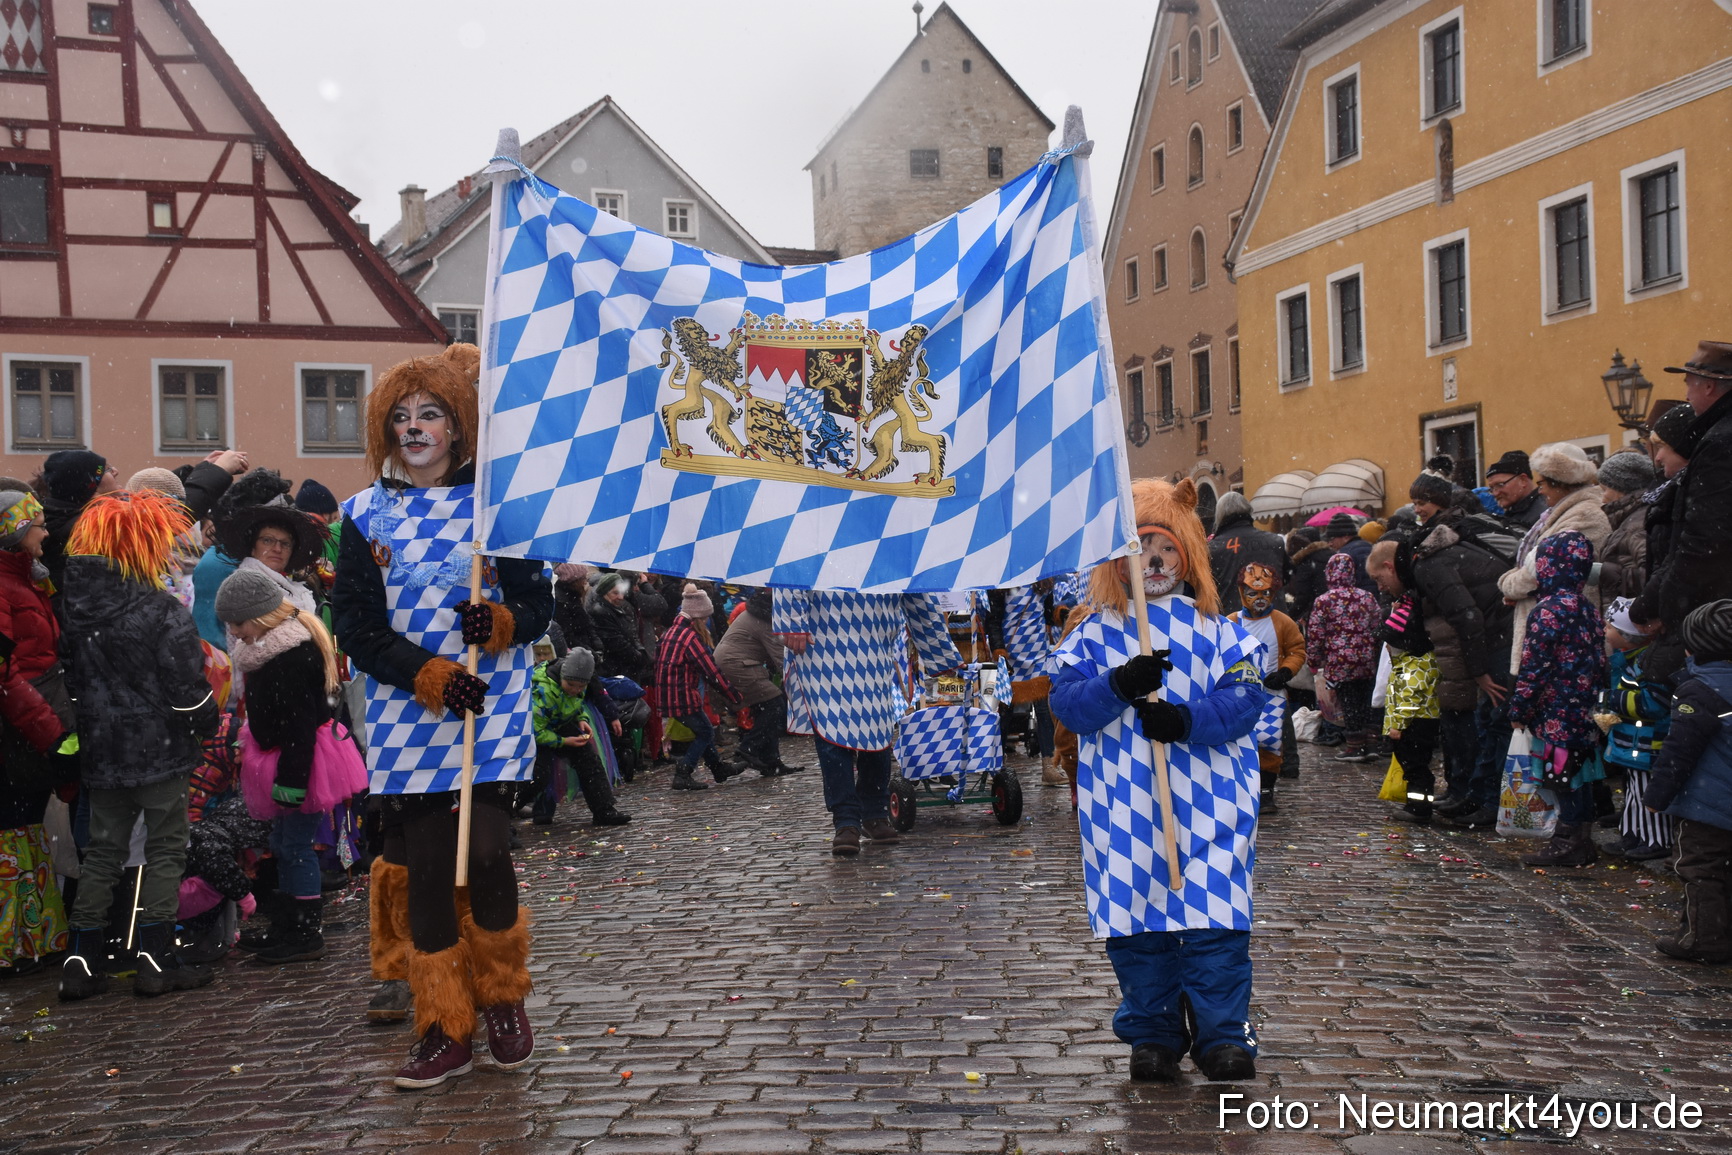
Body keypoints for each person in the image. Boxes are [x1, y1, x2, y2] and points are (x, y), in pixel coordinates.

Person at [330, 343, 550, 1089]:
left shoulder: (500, 507)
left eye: (428, 413)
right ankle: (441, 1022)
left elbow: (540, 604)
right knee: (426, 866)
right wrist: (423, 672)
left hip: (490, 712)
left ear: (457, 426)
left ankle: (502, 999)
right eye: (400, 416)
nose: (413, 427)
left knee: (484, 850)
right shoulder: (361, 515)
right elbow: (355, 625)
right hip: (406, 714)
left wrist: (502, 622)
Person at [1047, 477, 1265, 1083]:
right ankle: (1153, 1034)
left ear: (1188, 553)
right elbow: (1068, 706)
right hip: (1122, 805)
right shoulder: (1089, 632)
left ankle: (1225, 1036)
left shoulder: (1221, 631)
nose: (1155, 561)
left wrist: (1187, 719)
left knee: (1214, 921)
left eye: (1166, 548)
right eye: (1141, 546)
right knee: (1138, 925)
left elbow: (1247, 698)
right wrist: (1118, 685)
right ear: (1118, 559)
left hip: (1214, 801)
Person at [57, 489, 220, 1000]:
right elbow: (187, 689)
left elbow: (71, 679)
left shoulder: (73, 606)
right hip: (159, 749)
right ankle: (155, 957)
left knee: (103, 852)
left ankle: (81, 958)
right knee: (166, 847)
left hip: (102, 750)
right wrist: (205, 721)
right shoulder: (157, 608)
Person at [214, 568, 342, 964]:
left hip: (299, 763)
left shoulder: (287, 657)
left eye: (237, 622)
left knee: (295, 846)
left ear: (258, 616)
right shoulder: (266, 652)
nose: (233, 632)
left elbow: (299, 727)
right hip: (288, 757)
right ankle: (289, 925)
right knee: (283, 844)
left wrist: (291, 782)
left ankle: (304, 931)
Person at [775, 586, 962, 856]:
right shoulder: (812, 541)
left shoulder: (893, 544)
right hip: (823, 643)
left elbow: (915, 588)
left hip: (875, 643)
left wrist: (939, 651)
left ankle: (874, 812)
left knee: (877, 729)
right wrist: (792, 620)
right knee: (832, 731)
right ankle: (846, 820)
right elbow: (792, 566)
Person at [1400, 487, 1516, 830]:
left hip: (1500, 638)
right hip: (1500, 635)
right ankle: (1477, 797)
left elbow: (1468, 616)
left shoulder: (1430, 566)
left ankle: (1489, 802)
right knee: (1487, 721)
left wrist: (1479, 672)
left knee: (1495, 721)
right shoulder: (1446, 555)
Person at [0, 485, 73, 976]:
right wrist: (51, 731)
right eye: (38, 525)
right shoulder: (5, 586)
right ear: (16, 532)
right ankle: (13, 945)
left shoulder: (27, 578)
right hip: (15, 733)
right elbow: (7, 675)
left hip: (30, 726)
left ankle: (32, 939)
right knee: (11, 833)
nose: (48, 532)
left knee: (25, 831)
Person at [1631, 342, 1732, 681]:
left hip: (1713, 614)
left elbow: (1705, 540)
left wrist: (1669, 610)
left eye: (1689, 382)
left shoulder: (1720, 442)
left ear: (1708, 385)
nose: (1686, 392)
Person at [1508, 532, 1607, 868]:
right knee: (1579, 773)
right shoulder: (1587, 608)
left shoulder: (1547, 610)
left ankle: (1568, 841)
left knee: (1564, 777)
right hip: (1583, 707)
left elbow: (1533, 665)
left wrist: (1520, 707)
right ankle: (1580, 839)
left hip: (1556, 710)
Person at [1642, 599, 1732, 962]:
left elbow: (1678, 751)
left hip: (1706, 804)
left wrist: (1656, 796)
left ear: (1692, 645)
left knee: (1699, 869)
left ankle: (1702, 937)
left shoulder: (1699, 691)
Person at [1498, 442, 1610, 670]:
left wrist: (1508, 584)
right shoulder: (1560, 514)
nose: (1540, 490)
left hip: (1561, 643)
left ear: (1560, 483)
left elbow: (1538, 572)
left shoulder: (1585, 516)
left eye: (1543, 483)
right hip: (1551, 637)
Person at [1368, 542, 1441, 824]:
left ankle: (1419, 807)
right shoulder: (1407, 664)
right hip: (1415, 722)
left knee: (1416, 766)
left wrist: (1398, 725)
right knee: (1414, 765)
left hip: (1415, 724)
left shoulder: (1414, 666)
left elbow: (1408, 698)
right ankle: (1417, 803)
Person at [1598, 598, 1673, 861]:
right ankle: (1632, 834)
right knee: (1632, 790)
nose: (1604, 631)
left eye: (1610, 627)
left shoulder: (1646, 663)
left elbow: (1653, 704)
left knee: (1646, 793)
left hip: (1645, 743)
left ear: (1628, 636)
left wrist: (1613, 700)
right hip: (1631, 741)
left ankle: (1655, 839)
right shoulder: (1626, 660)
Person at [1227, 563, 1303, 812]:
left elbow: (1297, 650)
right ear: (1242, 593)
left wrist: (1285, 672)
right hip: (1240, 694)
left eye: (1265, 593)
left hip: (1272, 694)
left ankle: (1266, 791)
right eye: (1253, 593)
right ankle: (1243, 787)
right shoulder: (1231, 622)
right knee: (1240, 739)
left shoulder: (1282, 621)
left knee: (1269, 742)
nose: (1260, 599)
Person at [654, 583, 745, 790]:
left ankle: (718, 769)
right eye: (704, 618)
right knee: (705, 732)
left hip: (669, 693)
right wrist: (734, 696)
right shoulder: (689, 638)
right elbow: (711, 671)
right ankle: (683, 772)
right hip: (682, 694)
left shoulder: (671, 632)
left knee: (702, 730)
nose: (707, 621)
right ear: (697, 618)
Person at [529, 648, 630, 826]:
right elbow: (536, 730)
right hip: (537, 733)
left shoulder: (576, 685)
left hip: (561, 724)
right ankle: (520, 814)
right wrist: (563, 741)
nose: (575, 690)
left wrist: (581, 719)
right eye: (571, 685)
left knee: (590, 761)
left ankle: (604, 810)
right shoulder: (542, 689)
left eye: (581, 687)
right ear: (562, 676)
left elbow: (575, 704)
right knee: (539, 774)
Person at [714, 588, 799, 777]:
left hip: (733, 662)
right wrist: (800, 678)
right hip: (736, 664)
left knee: (768, 707)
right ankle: (748, 749)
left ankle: (771, 762)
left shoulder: (757, 613)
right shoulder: (766, 621)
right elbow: (780, 657)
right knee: (774, 705)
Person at [1308, 552, 1382, 763]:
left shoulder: (1324, 601)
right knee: (1365, 701)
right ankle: (1371, 743)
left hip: (1340, 662)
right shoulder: (1366, 597)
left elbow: (1316, 634)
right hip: (1366, 660)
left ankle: (1355, 746)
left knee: (1348, 703)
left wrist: (1314, 660)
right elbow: (1377, 627)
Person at [1208, 493, 1288, 616]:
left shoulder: (1213, 549)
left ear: (1219, 516)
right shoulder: (1275, 542)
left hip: (1234, 623)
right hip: (1273, 620)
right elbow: (1287, 577)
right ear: (1248, 511)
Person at [1597, 450, 1658, 603]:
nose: (1602, 497)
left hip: (1633, 617)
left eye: (1605, 489)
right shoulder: (1629, 518)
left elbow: (1651, 576)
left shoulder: (1637, 524)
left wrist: (1604, 572)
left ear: (1621, 488)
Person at [1485, 451, 1546, 530]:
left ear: (1523, 480)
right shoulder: (1517, 511)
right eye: (1492, 488)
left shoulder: (1543, 513)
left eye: (1500, 485)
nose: (1495, 493)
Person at [1322, 513, 1376, 593]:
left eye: (1332, 538)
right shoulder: (1371, 547)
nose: (1330, 543)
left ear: (1346, 537)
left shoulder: (1344, 556)